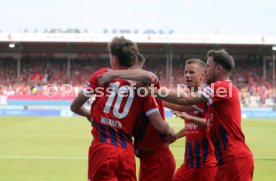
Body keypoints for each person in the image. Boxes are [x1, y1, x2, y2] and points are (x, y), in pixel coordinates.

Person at [70, 36, 175, 181]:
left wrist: (88, 114)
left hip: (103, 148)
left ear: (114, 59)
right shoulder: (141, 87)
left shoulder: (102, 75)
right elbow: (158, 122)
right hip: (127, 153)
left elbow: (75, 106)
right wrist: (169, 130)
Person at [153, 49, 254, 181]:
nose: (205, 70)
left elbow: (184, 100)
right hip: (224, 160)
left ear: (218, 69)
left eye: (207, 66)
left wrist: (150, 91)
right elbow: (183, 105)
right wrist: (152, 98)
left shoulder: (223, 87)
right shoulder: (217, 91)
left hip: (234, 159)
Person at [98, 53, 176, 181]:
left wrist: (169, 130)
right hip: (147, 158)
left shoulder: (146, 85)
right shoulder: (132, 94)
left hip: (158, 159)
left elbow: (149, 77)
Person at [164, 59, 217, 181]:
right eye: (185, 72)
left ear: (202, 76)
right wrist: (176, 136)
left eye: (191, 72)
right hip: (189, 163)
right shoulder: (189, 97)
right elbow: (191, 127)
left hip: (207, 163)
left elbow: (212, 124)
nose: (187, 75)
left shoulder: (207, 97)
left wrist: (189, 117)